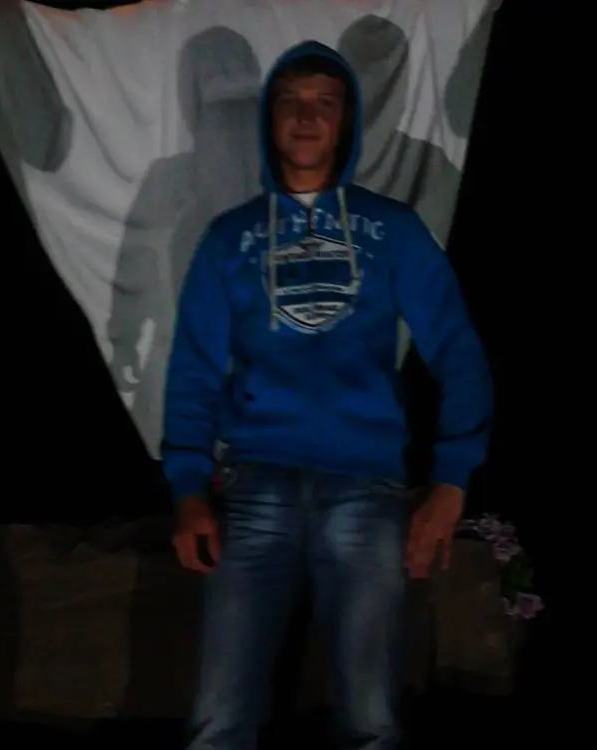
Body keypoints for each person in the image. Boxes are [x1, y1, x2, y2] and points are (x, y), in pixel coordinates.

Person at [162, 40, 493, 750]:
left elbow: (460, 352)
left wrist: (451, 481)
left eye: (326, 100)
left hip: (365, 487)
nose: (307, 116)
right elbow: (193, 369)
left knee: (370, 722)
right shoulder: (229, 237)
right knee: (218, 719)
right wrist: (188, 487)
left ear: (346, 121)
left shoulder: (392, 229)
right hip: (255, 485)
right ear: (268, 118)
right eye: (291, 99)